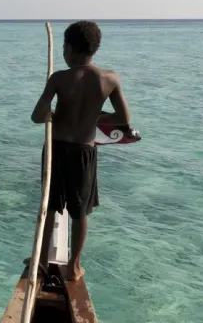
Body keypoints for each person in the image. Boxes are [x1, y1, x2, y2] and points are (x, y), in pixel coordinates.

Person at [29, 21, 132, 281]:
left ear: (69, 48)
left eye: (64, 47)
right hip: (84, 152)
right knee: (80, 212)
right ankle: (74, 266)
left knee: (49, 206)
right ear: (94, 49)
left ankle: (40, 260)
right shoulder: (109, 79)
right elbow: (122, 118)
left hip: (57, 149)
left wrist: (54, 113)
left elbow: (37, 117)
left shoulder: (59, 79)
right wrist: (93, 118)